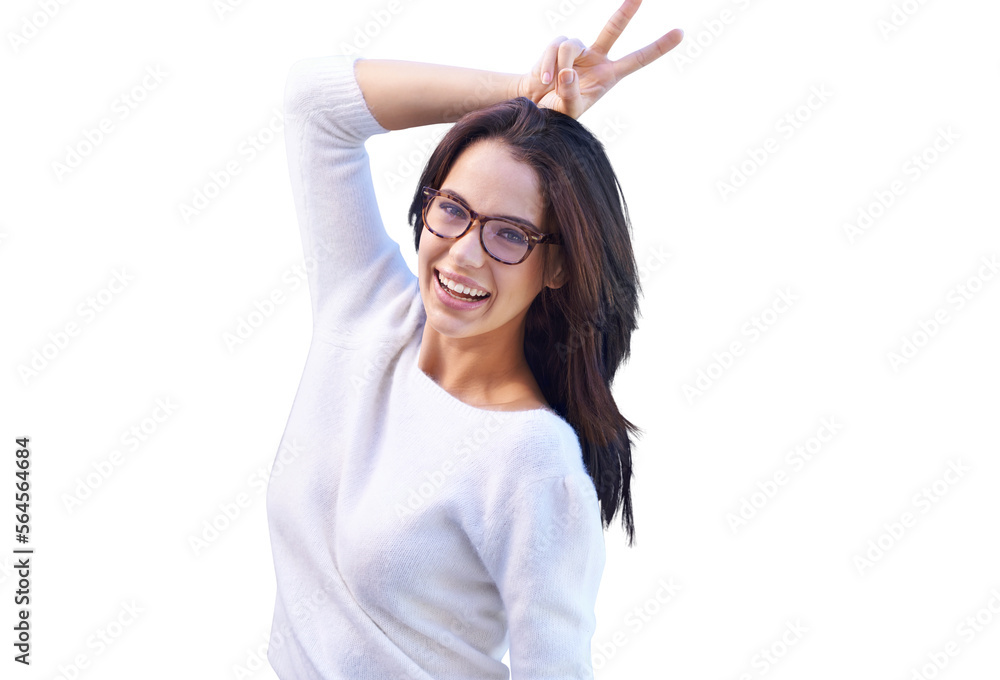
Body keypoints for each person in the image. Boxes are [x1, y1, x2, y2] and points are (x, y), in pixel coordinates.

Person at [265, 1, 683, 677]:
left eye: (509, 233)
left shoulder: (532, 460)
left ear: (556, 266)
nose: (463, 254)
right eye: (453, 210)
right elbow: (314, 101)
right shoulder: (365, 311)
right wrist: (523, 95)